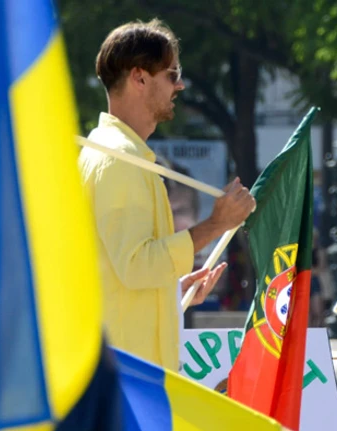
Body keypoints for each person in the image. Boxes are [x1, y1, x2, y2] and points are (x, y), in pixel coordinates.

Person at [79, 19, 255, 370]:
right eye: (172, 74)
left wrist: (171, 291)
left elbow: (119, 274)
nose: (180, 85)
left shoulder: (118, 152)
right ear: (140, 78)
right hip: (129, 376)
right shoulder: (120, 159)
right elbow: (136, 266)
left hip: (124, 368)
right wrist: (216, 224)